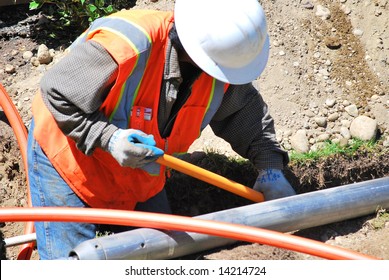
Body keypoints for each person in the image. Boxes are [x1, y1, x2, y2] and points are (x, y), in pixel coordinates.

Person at [27, 0, 296, 260]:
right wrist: (109, 138)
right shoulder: (126, 46)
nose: (221, 78)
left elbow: (245, 115)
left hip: (139, 175)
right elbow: (56, 92)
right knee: (73, 263)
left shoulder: (221, 67)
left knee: (162, 257)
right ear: (195, 50)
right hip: (69, 164)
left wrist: (270, 167)